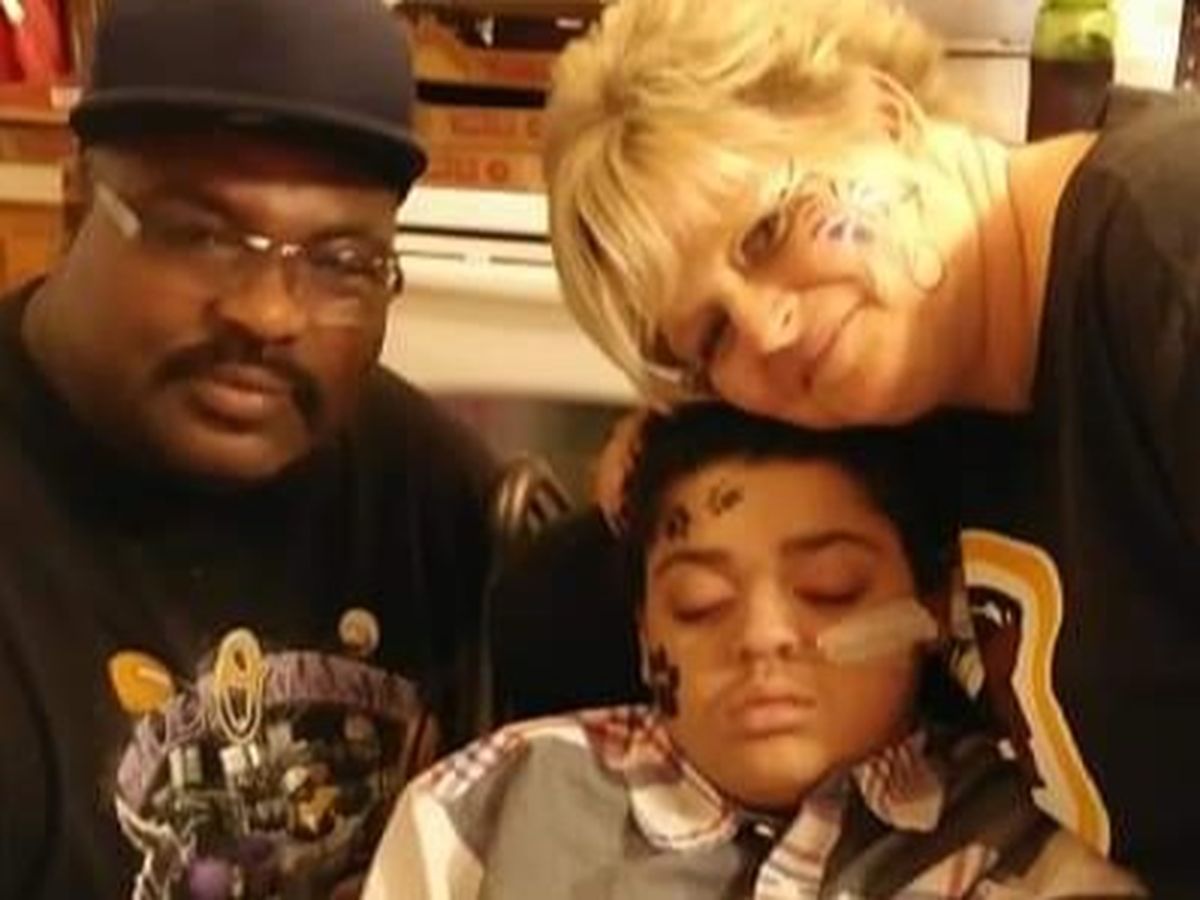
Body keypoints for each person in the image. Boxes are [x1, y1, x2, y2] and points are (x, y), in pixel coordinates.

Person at [541, 0, 1200, 891]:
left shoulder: (1166, 251)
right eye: (713, 339)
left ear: (881, 113)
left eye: (768, 230)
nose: (768, 329)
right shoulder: (945, 395)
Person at [0, 0, 502, 896]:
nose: (268, 313)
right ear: (77, 202)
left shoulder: (434, 495)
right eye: (203, 235)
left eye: (340, 261)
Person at [362, 402, 1142, 899]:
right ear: (644, 630)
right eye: (699, 603)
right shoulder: (489, 804)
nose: (762, 637)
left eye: (831, 587)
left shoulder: (1032, 842)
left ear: (933, 608)